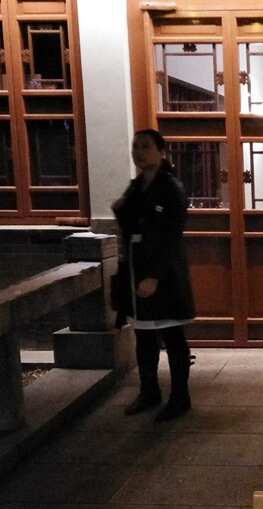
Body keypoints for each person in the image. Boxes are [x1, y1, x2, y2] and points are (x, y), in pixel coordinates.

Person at [113, 129, 196, 421]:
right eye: (136, 147)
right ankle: (149, 391)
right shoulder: (136, 187)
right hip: (137, 267)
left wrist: (155, 276)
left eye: (146, 147)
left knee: (171, 335)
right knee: (144, 335)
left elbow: (172, 235)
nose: (139, 153)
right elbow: (128, 224)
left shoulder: (171, 187)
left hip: (164, 270)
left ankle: (179, 396)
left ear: (161, 151)